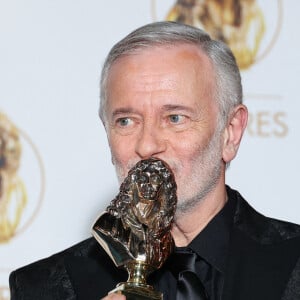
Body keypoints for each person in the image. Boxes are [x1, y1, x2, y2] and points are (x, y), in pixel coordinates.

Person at [9, 21, 300, 300]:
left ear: (230, 132)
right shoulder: (45, 286)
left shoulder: (293, 265)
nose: (147, 145)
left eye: (175, 118)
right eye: (126, 121)